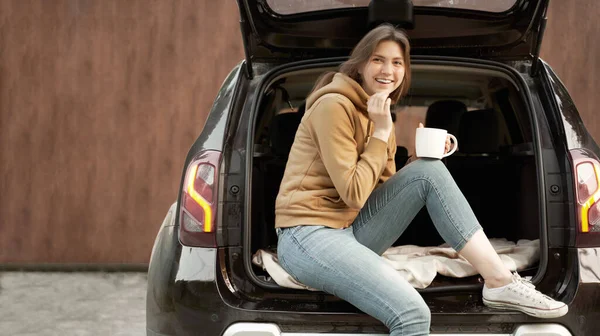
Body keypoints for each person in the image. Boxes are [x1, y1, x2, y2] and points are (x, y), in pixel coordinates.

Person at [274, 24, 567, 336]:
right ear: (358, 64)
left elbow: (380, 190)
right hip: (307, 237)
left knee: (429, 170)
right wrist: (383, 132)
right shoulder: (333, 106)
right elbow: (355, 193)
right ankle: (499, 282)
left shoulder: (379, 114)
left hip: (349, 231)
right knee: (413, 314)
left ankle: (499, 281)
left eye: (397, 62)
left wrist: (418, 161)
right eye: (378, 60)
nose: (388, 70)